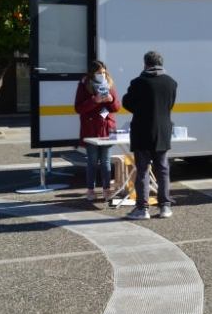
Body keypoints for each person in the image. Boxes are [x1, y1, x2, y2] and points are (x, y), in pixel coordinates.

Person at [121, 51, 178, 220]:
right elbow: (170, 105)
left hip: (142, 131)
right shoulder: (171, 83)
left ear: (145, 64)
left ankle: (142, 208)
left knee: (143, 171)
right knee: (162, 170)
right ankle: (165, 207)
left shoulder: (138, 82)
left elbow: (127, 103)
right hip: (163, 130)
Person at [74, 60, 121, 202]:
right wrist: (95, 101)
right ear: (92, 73)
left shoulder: (109, 84)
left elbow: (117, 107)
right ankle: (90, 190)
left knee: (106, 160)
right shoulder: (84, 85)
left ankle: (106, 189)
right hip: (91, 128)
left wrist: (111, 99)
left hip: (107, 127)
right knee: (92, 161)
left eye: (103, 72)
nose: (102, 75)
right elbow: (79, 108)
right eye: (98, 73)